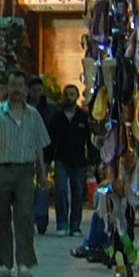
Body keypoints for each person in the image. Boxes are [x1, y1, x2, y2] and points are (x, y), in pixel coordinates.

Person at [0, 73, 52, 277]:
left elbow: (39, 146)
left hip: (25, 171)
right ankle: (5, 262)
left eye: (20, 85)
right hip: (0, 169)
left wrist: (43, 174)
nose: (16, 89)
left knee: (24, 216)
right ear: (7, 88)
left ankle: (24, 263)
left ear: (25, 89)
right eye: (13, 84)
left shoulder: (33, 116)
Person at [39, 82, 89, 238]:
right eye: (66, 94)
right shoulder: (58, 118)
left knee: (77, 193)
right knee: (60, 190)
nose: (69, 97)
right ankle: (62, 223)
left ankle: (75, 226)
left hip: (79, 161)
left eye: (72, 94)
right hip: (61, 159)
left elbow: (89, 140)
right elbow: (51, 141)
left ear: (77, 96)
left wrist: (93, 162)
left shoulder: (83, 117)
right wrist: (46, 163)